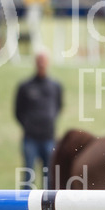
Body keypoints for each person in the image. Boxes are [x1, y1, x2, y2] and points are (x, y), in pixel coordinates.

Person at [14, 51, 63, 188]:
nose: (41, 64)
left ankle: (47, 206)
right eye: (39, 61)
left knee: (49, 173)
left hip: (49, 137)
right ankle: (24, 204)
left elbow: (58, 106)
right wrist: (28, 125)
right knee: (28, 173)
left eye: (44, 60)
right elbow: (18, 111)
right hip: (31, 138)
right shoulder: (25, 86)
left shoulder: (55, 86)